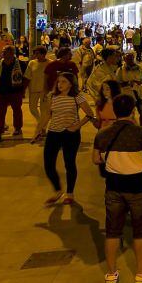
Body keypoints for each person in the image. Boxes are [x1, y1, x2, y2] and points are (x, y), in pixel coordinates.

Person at [92, 94, 142, 283]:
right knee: (141, 231)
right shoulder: (140, 133)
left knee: (113, 231)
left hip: (114, 187)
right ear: (133, 110)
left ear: (114, 111)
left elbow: (96, 159)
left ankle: (111, 273)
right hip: (139, 186)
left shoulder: (103, 133)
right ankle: (141, 273)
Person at [40, 72, 96, 205]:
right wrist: (39, 130)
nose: (60, 84)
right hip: (53, 132)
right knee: (48, 164)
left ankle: (69, 193)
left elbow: (89, 114)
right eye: (58, 82)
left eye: (63, 82)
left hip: (70, 134)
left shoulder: (77, 96)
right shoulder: (52, 96)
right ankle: (58, 190)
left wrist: (77, 126)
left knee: (69, 163)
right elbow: (47, 115)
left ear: (71, 83)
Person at [0, 45, 26, 140]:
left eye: (6, 52)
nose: (3, 53)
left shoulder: (21, 64)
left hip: (15, 91)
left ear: (12, 53)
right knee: (0, 112)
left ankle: (18, 128)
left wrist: (23, 91)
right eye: (3, 52)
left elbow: (25, 79)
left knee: (17, 110)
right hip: (0, 91)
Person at [25, 46, 50, 132]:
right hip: (33, 89)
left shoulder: (50, 63)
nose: (35, 55)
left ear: (43, 54)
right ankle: (41, 123)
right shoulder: (32, 63)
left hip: (45, 90)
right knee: (32, 109)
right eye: (35, 53)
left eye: (37, 53)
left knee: (44, 110)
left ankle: (42, 128)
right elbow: (27, 76)